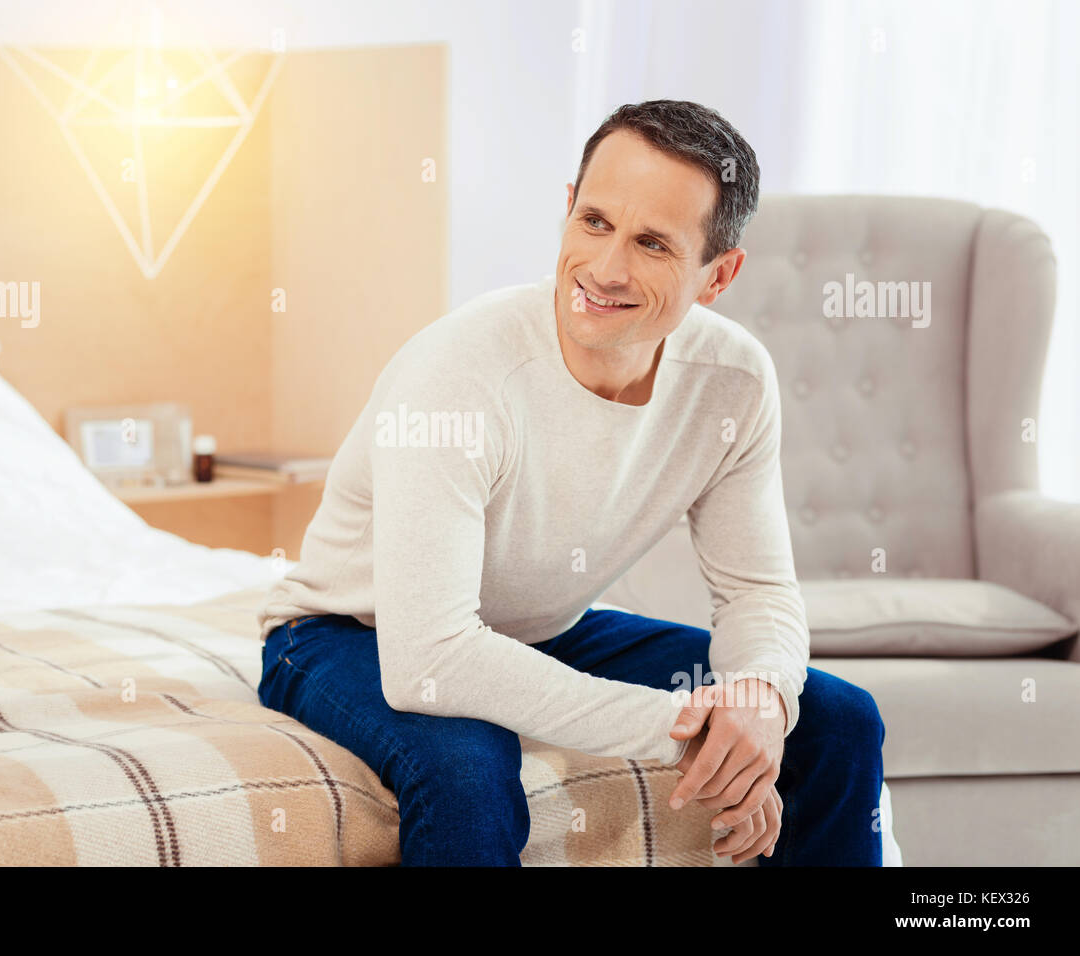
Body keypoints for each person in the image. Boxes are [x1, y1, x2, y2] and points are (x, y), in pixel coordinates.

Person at [257, 99, 885, 866]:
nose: (607, 269)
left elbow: (755, 592)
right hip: (344, 634)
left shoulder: (733, 382)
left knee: (840, 720)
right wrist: (687, 733)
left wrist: (758, 702)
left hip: (541, 630)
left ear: (718, 275)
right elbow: (433, 658)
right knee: (466, 771)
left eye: (652, 243)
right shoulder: (458, 374)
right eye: (594, 222)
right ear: (567, 209)